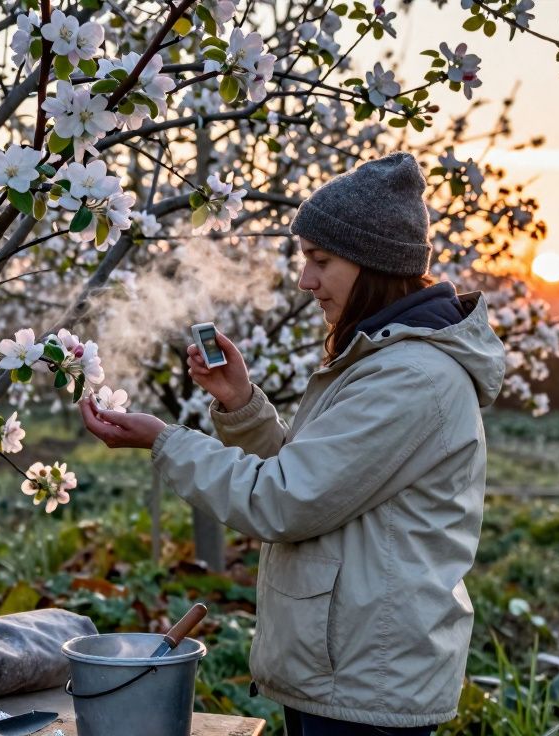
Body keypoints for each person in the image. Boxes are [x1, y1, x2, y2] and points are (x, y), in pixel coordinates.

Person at [79, 151, 506, 735]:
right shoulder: (381, 362)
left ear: (373, 264)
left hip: (366, 684)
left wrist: (166, 442)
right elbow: (311, 478)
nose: (306, 281)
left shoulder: (411, 378)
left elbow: (284, 501)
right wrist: (240, 403)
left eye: (321, 261)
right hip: (344, 670)